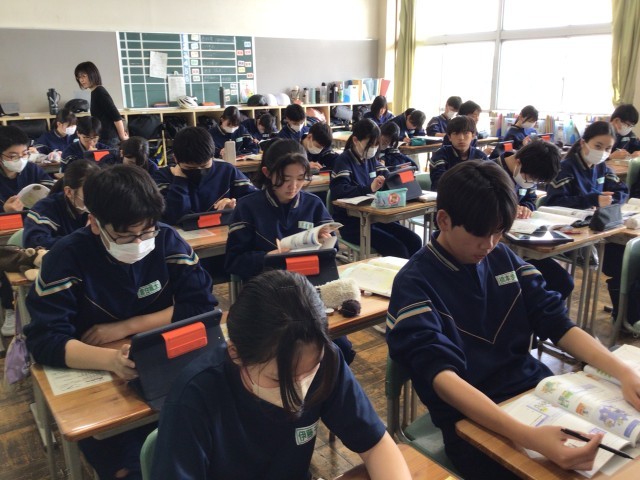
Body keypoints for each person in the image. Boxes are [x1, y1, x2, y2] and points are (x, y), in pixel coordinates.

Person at [386, 160, 640, 479]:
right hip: (472, 423)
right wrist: (527, 437)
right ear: (444, 220)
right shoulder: (415, 283)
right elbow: (442, 378)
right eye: (480, 234)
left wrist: (623, 373)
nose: (490, 244)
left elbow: (557, 322)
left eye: (498, 232)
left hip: (536, 396)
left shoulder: (501, 257)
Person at [24, 165, 218, 480]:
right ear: (94, 222)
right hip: (95, 374)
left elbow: (201, 305)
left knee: (203, 441)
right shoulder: (65, 257)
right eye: (125, 235)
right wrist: (111, 361)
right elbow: (44, 340)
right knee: (129, 465)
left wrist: (127, 327)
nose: (138, 242)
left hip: (162, 360)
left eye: (146, 231)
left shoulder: (166, 239)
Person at [152, 269, 411, 480]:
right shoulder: (194, 396)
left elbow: (376, 446)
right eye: (278, 380)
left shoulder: (325, 360)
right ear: (236, 354)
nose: (298, 389)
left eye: (310, 372)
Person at [226, 138, 356, 363]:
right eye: (285, 179)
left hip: (310, 287)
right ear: (267, 173)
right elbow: (234, 261)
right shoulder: (248, 207)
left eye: (300, 178)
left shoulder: (313, 204)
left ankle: (323, 382)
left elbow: (332, 249)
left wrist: (326, 242)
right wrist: (267, 258)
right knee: (302, 347)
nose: (293, 186)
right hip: (268, 293)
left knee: (340, 348)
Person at [493, 140, 574, 299]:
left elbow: (530, 200)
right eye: (532, 179)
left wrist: (526, 208)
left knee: (563, 282)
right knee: (524, 288)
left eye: (537, 182)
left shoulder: (527, 174)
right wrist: (508, 211)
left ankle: (541, 313)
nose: (533, 183)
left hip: (521, 243)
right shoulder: (489, 174)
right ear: (518, 162)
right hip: (496, 249)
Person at [330, 119, 422, 258]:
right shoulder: (343, 161)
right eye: (370, 144)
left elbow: (386, 173)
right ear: (355, 140)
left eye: (376, 144)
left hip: (375, 218)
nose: (374, 148)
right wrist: (369, 188)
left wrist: (401, 177)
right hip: (353, 224)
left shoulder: (370, 158)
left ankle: (412, 272)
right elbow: (339, 191)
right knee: (398, 249)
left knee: (414, 241)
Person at [0, 125, 54, 336]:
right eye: (12, 156)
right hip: (4, 230)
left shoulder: (30, 169)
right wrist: (5, 211)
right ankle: (9, 308)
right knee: (8, 257)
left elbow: (48, 185)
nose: (20, 159)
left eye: (24, 154)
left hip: (32, 225)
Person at [152, 126, 257, 225]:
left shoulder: (227, 171)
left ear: (212, 157)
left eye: (205, 166)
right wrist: (179, 181)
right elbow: (173, 217)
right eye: (190, 168)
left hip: (221, 232)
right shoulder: (162, 178)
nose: (199, 171)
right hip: (181, 237)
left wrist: (234, 205)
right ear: (176, 159)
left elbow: (255, 201)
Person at [545, 121, 628, 209]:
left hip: (595, 215)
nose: (602, 152)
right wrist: (591, 201)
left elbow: (622, 190)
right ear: (583, 143)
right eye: (598, 146)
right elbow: (554, 202)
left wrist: (609, 200)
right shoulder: (564, 169)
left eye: (608, 149)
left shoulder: (602, 167)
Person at [23, 159, 100, 249]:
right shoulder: (46, 208)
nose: (95, 198)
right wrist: (82, 237)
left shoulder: (102, 205)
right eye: (88, 192)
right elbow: (34, 243)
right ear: (69, 192)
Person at [75, 61, 128, 147]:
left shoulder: (99, 92)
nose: (81, 80)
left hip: (109, 139)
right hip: (103, 137)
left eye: (84, 76)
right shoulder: (94, 92)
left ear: (92, 74)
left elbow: (116, 116)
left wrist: (122, 136)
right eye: (79, 77)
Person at [429, 115, 488, 191]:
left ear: (473, 136)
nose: (461, 138)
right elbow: (440, 184)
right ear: (449, 137)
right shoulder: (440, 156)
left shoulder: (480, 157)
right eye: (456, 133)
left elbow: (491, 179)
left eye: (466, 133)